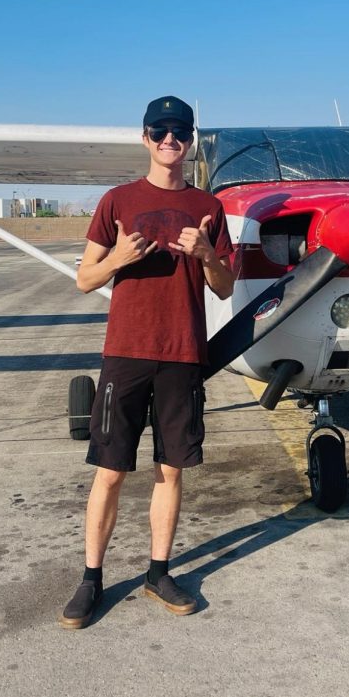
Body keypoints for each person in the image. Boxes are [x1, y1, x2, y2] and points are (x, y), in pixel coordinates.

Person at [59, 95, 234, 630]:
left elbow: (224, 288)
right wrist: (119, 258)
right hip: (126, 354)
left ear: (190, 141)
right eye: (159, 131)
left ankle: (158, 571)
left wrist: (206, 253)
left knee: (170, 469)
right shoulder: (116, 201)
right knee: (110, 471)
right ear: (144, 138)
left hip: (182, 354)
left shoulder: (210, 207)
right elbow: (85, 278)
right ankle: (91, 578)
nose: (169, 141)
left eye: (179, 132)